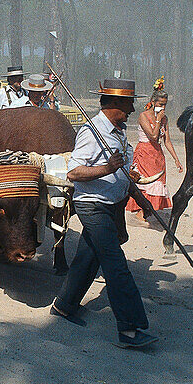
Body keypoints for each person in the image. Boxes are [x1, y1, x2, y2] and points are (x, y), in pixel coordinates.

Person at [50, 78, 159, 349]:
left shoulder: (119, 133)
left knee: (88, 257)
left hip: (112, 204)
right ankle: (130, 330)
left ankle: (63, 306)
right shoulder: (91, 131)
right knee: (115, 264)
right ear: (115, 103)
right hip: (92, 205)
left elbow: (123, 174)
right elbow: (74, 172)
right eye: (129, 103)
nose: (132, 109)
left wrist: (139, 197)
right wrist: (108, 168)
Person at [126, 79, 183, 222]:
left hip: (157, 155)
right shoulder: (143, 116)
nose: (163, 107)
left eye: (165, 105)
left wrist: (176, 159)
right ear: (153, 101)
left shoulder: (165, 118)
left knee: (157, 184)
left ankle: (146, 213)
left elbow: (167, 141)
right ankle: (141, 214)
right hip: (144, 153)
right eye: (160, 104)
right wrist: (158, 120)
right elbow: (153, 136)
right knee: (145, 184)